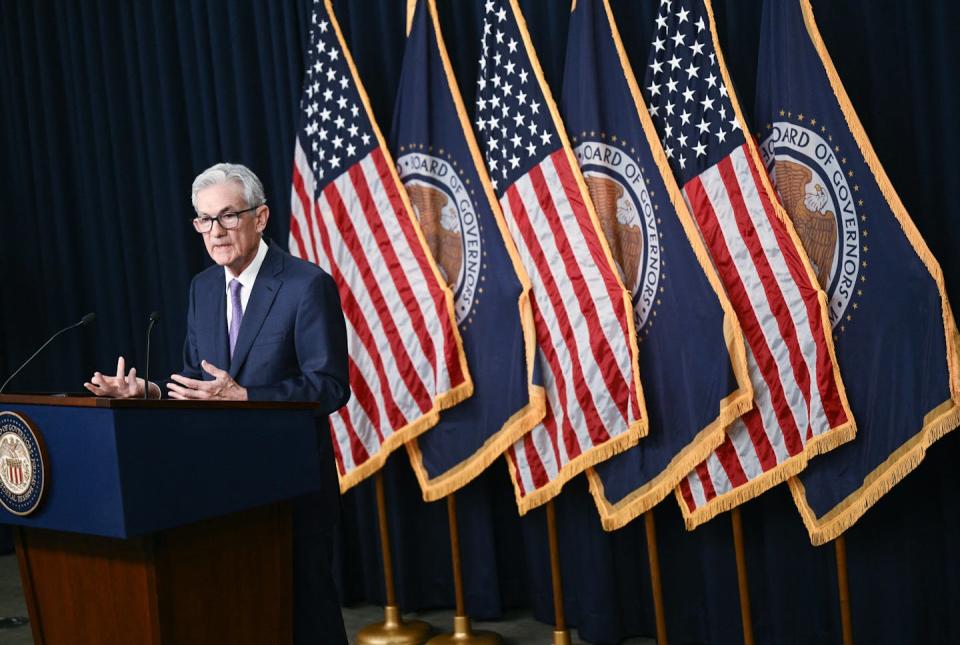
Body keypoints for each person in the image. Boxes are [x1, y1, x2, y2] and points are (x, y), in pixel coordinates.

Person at [84, 162, 350, 644]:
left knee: (307, 618)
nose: (215, 231)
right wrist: (151, 391)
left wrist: (246, 396)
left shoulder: (306, 285)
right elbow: (196, 379)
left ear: (261, 216)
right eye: (204, 220)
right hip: (219, 489)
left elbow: (329, 386)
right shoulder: (202, 288)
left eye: (228, 215)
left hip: (289, 490)